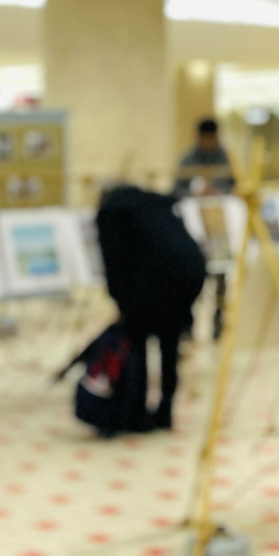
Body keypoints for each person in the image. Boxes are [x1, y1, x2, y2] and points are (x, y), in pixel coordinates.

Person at [95, 183, 207, 430]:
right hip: (189, 275)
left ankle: (137, 414)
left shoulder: (111, 213)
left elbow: (113, 262)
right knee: (169, 346)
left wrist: (122, 303)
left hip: (153, 282)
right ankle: (165, 412)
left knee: (138, 345)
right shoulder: (156, 205)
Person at [175, 118, 235, 195]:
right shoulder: (188, 159)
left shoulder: (225, 157)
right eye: (205, 138)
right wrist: (193, 193)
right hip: (193, 200)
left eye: (211, 138)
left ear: (216, 137)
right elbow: (177, 189)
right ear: (199, 138)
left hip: (219, 200)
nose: (208, 143)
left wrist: (219, 192)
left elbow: (234, 186)